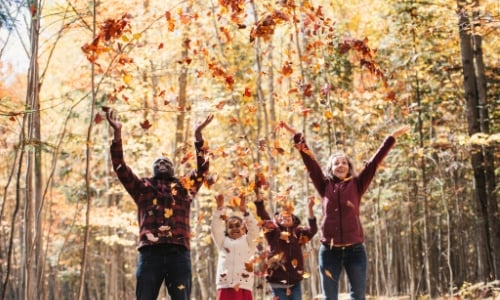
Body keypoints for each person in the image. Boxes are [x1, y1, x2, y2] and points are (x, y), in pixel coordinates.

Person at [280, 121, 409, 300]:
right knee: (329, 298)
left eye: (344, 163)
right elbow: (310, 163)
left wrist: (391, 138)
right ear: (331, 169)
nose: (340, 165)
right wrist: (297, 136)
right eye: (336, 164)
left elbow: (373, 163)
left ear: (349, 167)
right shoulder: (324, 185)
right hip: (329, 251)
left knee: (358, 297)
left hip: (355, 250)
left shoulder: (357, 184)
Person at [104, 107, 214, 300]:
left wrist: (198, 137)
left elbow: (203, 170)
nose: (162, 163)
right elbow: (120, 168)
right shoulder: (142, 187)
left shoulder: (183, 187)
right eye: (158, 162)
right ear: (153, 169)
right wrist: (117, 135)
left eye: (166, 162)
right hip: (150, 254)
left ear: (172, 168)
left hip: (178, 252)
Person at [254, 185, 318, 300]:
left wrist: (310, 209)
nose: (284, 216)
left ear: (294, 220)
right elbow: (263, 215)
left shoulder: (298, 233)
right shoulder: (273, 231)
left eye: (288, 215)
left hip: (295, 282)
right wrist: (258, 199)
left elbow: (312, 230)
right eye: (281, 215)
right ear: (276, 219)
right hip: (277, 282)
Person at [211, 193, 260, 300]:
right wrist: (219, 209)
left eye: (238, 225)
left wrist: (245, 212)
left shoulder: (248, 242)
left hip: (243, 285)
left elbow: (255, 230)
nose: (234, 228)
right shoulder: (223, 242)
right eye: (230, 226)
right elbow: (215, 228)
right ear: (226, 230)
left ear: (243, 228)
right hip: (225, 286)